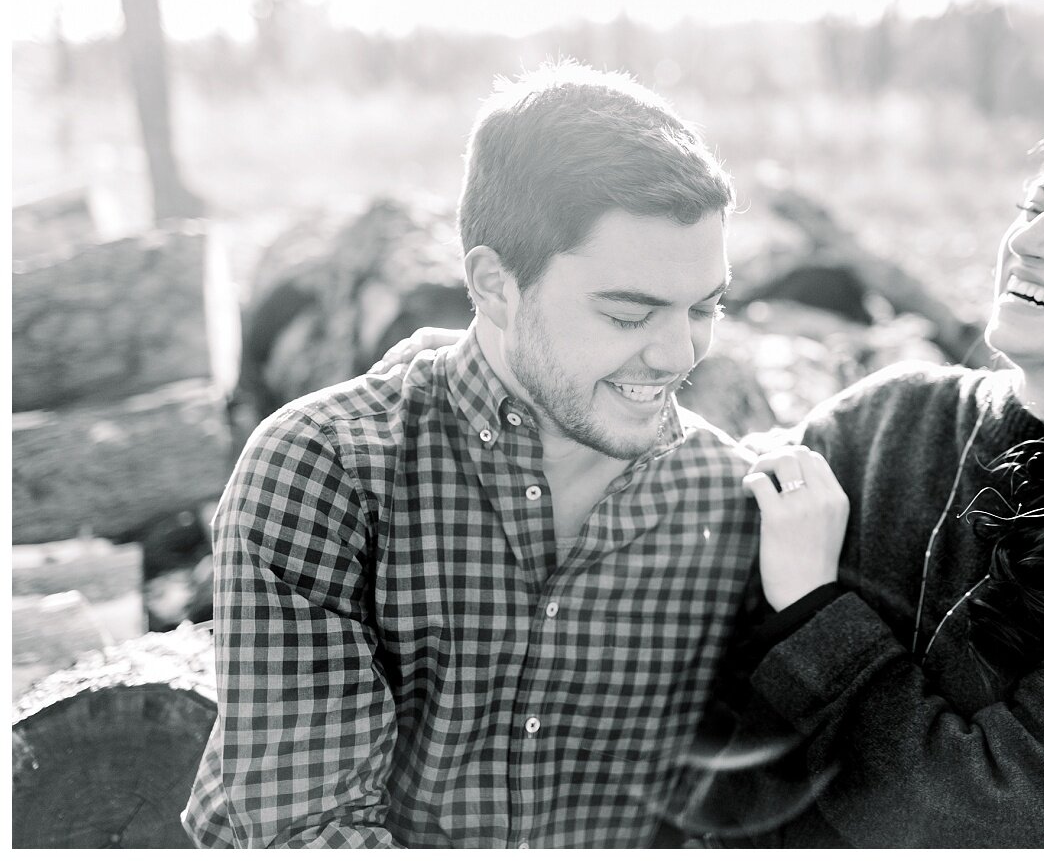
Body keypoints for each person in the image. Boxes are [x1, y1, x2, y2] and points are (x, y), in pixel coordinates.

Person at [677, 97, 1044, 847]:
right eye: (1033, 206)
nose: (1029, 239)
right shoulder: (893, 415)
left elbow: (994, 820)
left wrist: (813, 608)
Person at [182, 62, 761, 848]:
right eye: (630, 313)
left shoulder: (723, 504)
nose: (676, 355)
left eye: (705, 308)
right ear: (494, 284)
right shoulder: (324, 471)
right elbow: (305, 834)